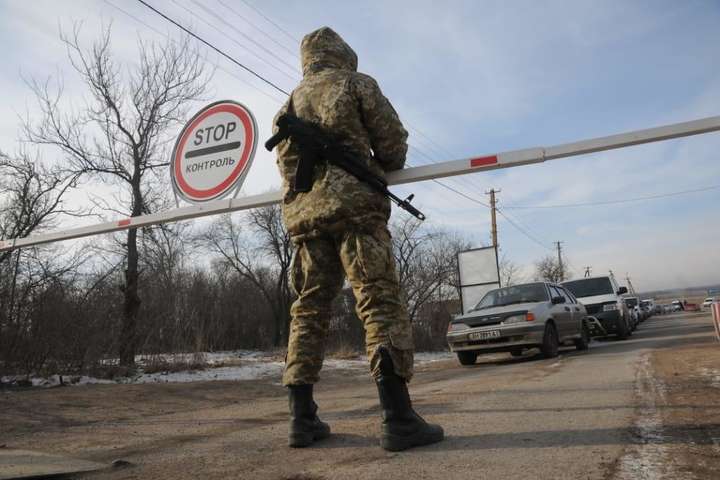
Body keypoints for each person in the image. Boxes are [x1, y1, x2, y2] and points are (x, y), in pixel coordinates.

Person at [272, 26, 443, 452]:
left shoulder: (287, 105)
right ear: (343, 55)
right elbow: (393, 148)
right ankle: (398, 417)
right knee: (378, 302)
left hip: (306, 223)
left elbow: (289, 170)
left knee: (307, 311)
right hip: (356, 215)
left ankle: (301, 419)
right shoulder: (356, 84)